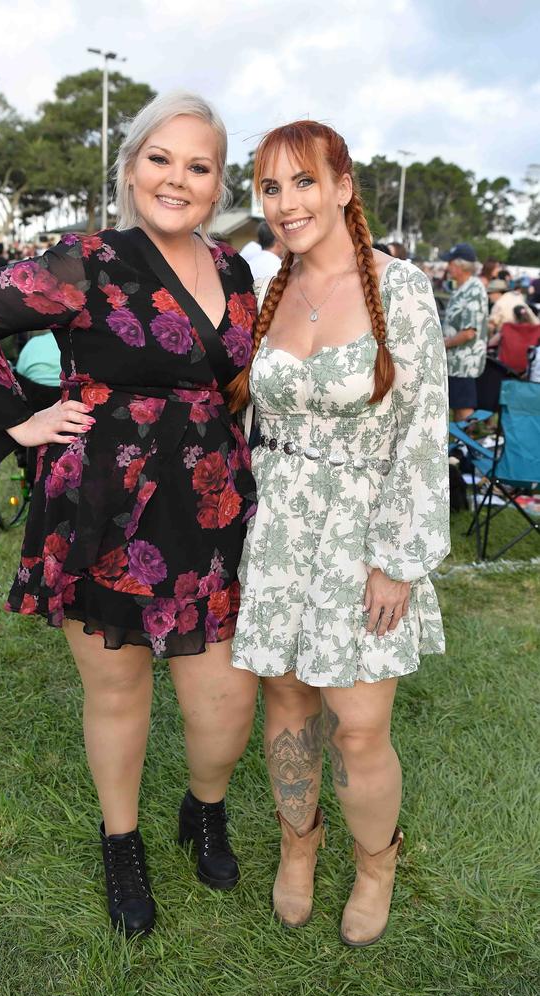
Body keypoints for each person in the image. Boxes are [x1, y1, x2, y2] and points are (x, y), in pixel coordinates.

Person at [0, 91, 259, 939]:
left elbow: (235, 379)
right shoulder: (86, 259)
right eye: (160, 158)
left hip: (210, 506)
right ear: (131, 168)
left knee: (223, 702)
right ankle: (121, 839)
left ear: (217, 184)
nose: (177, 178)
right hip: (104, 507)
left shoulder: (236, 270)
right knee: (119, 688)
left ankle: (204, 807)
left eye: (197, 166)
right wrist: (14, 421)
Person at [228, 121, 450, 947]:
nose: (287, 204)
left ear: (344, 186)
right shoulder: (269, 287)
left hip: (363, 535)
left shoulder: (403, 289)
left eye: (304, 182)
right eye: (272, 188)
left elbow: (424, 430)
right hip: (281, 528)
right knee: (286, 710)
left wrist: (397, 559)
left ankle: (375, 861)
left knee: (357, 725)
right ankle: (299, 844)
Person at [440, 243, 489, 420]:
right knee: (457, 406)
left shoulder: (474, 289)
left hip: (464, 363)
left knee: (463, 408)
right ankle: (460, 445)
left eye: (450, 263)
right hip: (456, 361)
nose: (448, 267)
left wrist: (443, 344)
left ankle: (467, 445)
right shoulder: (462, 287)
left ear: (461, 266)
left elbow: (469, 332)